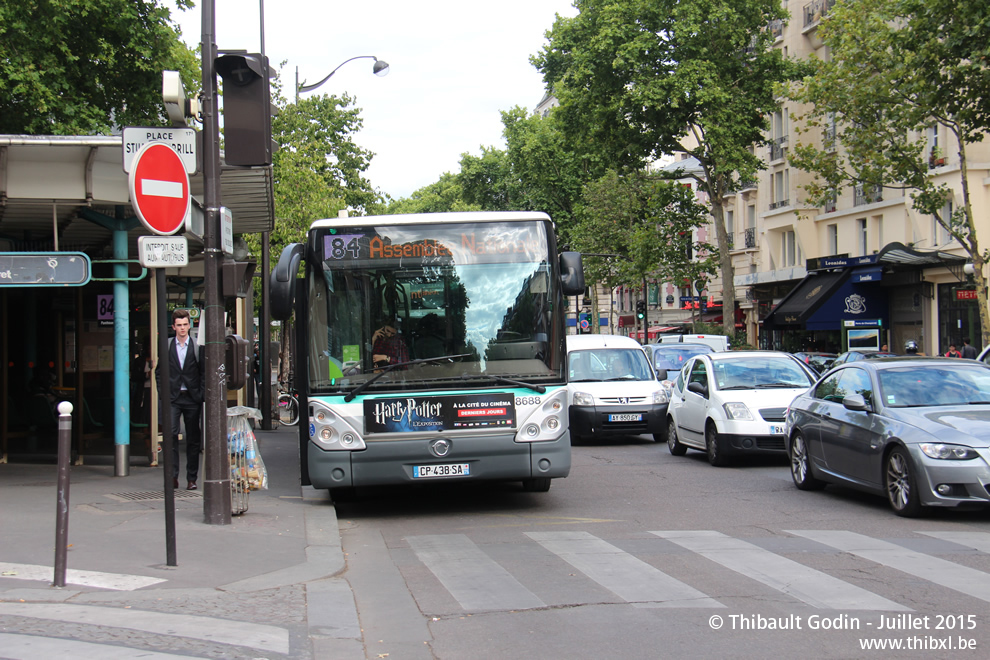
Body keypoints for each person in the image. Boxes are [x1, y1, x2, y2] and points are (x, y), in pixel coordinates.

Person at [156, 309, 205, 490]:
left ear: (189, 325)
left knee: (193, 439)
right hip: (173, 398)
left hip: (192, 398)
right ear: (173, 327)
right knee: (170, 436)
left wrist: (200, 395)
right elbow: (160, 373)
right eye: (179, 325)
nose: (182, 328)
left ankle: (192, 479)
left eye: (185, 324)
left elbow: (203, 372)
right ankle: (172, 476)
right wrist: (164, 394)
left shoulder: (197, 346)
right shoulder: (167, 345)